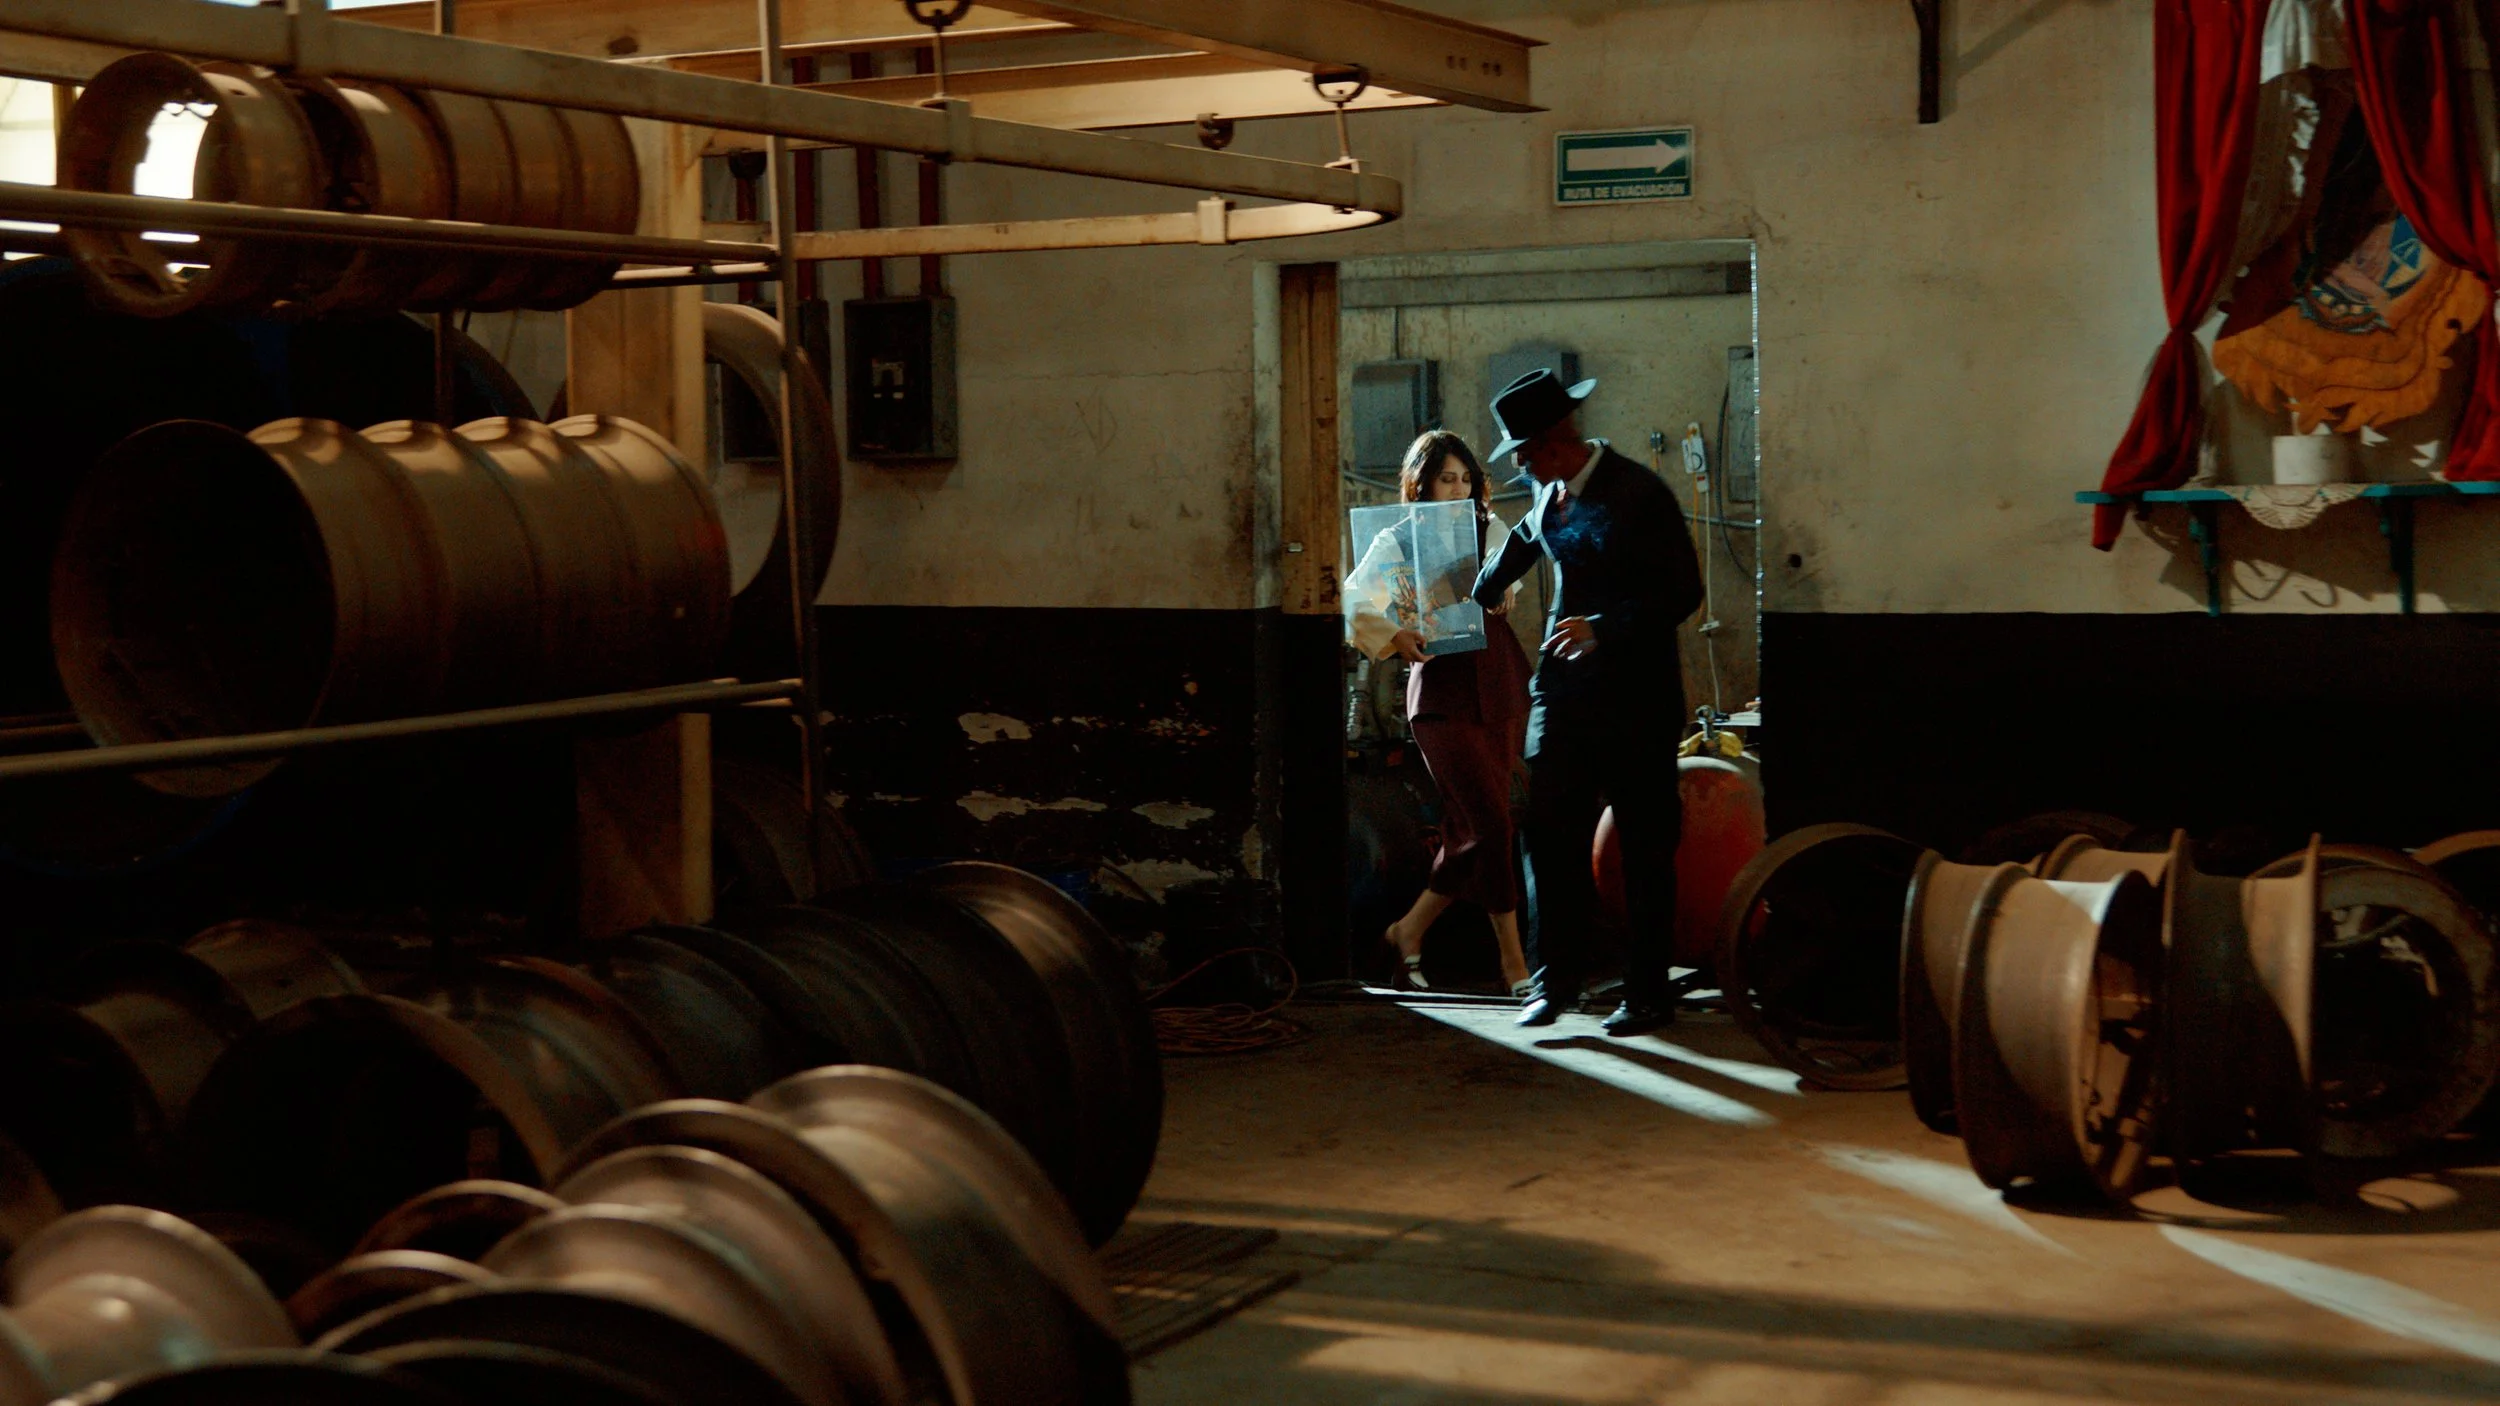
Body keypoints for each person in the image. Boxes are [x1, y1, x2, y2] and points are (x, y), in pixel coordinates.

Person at [1470, 369, 1704, 1035]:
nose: (1517, 466)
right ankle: (1556, 985)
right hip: (1566, 699)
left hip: (1637, 701)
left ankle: (1647, 994)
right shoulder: (1550, 498)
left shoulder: (1638, 494)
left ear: (1549, 442)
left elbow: (1683, 593)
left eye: (1520, 453)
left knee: (1644, 849)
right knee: (1546, 836)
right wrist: (1474, 591)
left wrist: (1605, 627)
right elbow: (1518, 549)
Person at [1345, 430, 1536, 998]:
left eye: (1465, 479)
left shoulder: (1492, 528)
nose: (1457, 489)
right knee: (1492, 825)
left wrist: (1506, 593)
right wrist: (1393, 634)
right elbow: (1354, 598)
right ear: (1421, 485)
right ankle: (1514, 965)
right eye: (1444, 479)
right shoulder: (1397, 540)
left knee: (1474, 831)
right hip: (1440, 695)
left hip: (1498, 682)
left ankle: (1407, 932)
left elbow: (1513, 584)